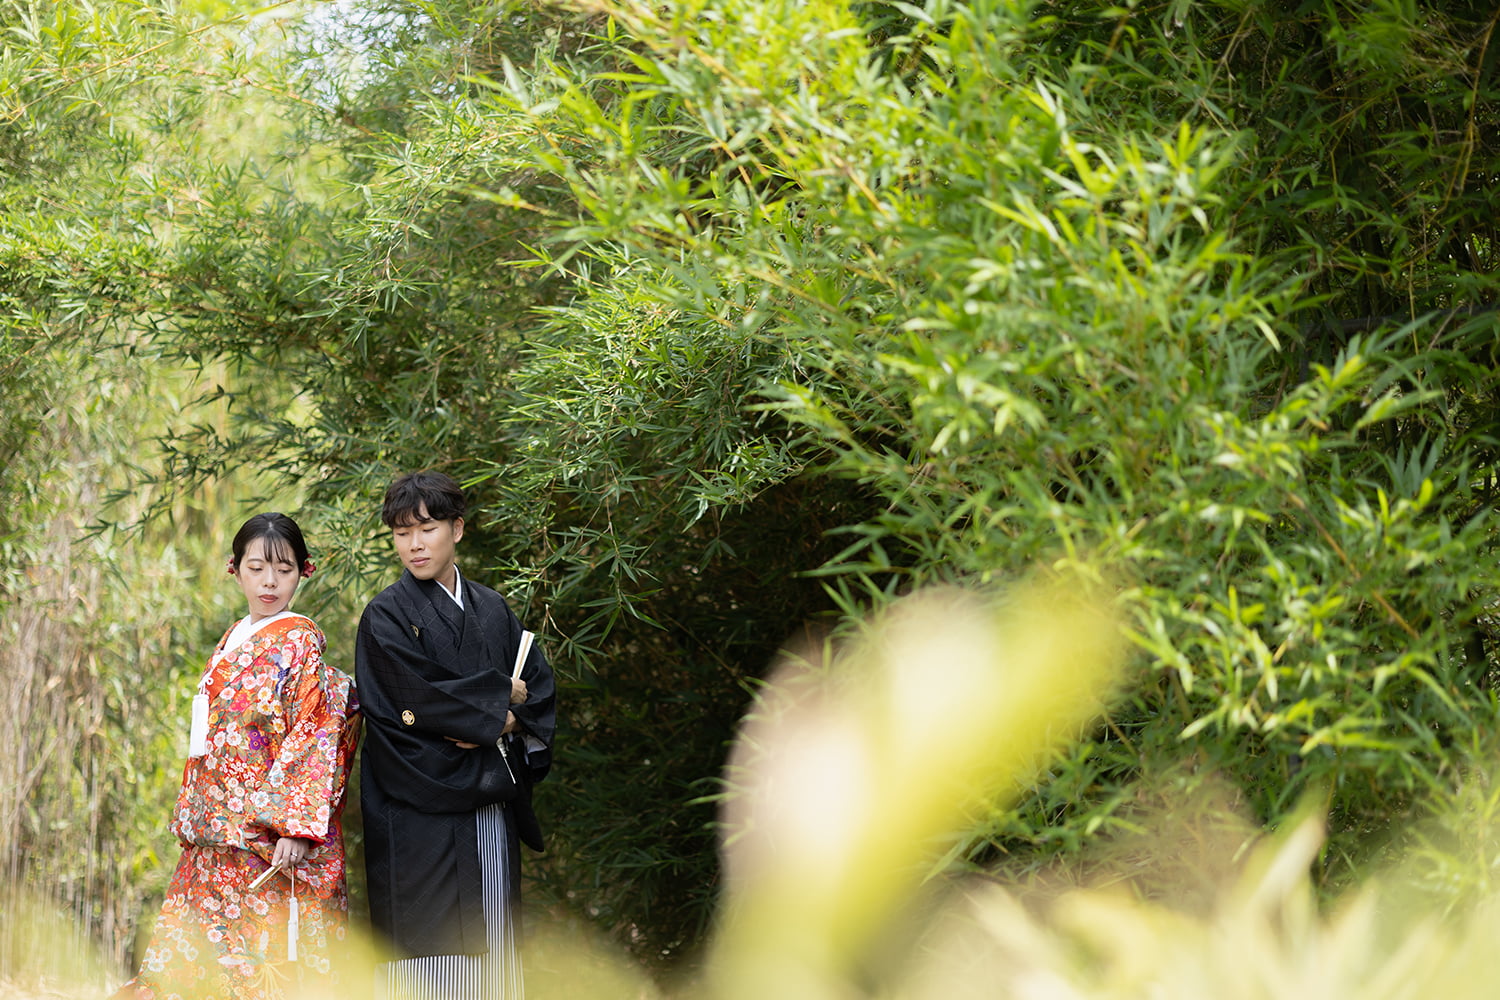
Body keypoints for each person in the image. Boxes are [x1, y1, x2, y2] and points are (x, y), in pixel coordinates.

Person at [116, 512, 362, 1000]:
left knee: (256, 965)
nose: (270, 581)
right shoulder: (234, 636)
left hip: (264, 834)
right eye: (257, 568)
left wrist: (294, 826)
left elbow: (314, 728)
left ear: (303, 571)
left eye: (284, 569)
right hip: (217, 828)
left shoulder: (299, 639)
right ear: (235, 569)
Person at [355, 470, 556, 1000]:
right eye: (402, 533)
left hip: (491, 805)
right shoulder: (384, 617)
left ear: (457, 529)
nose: (414, 545)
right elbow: (412, 703)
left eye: (427, 529)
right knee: (429, 957)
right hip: (418, 810)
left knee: (496, 949)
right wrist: (496, 701)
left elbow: (538, 689)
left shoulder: (492, 609)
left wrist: (506, 719)